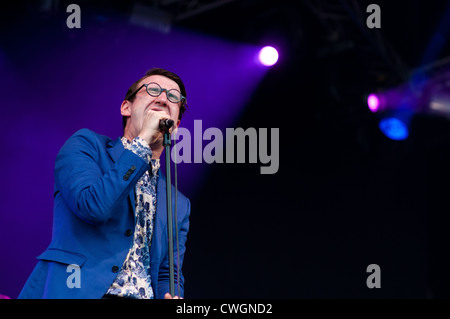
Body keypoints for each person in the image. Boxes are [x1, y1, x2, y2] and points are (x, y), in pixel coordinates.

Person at [18, 68, 191, 299]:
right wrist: (141, 144)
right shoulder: (87, 146)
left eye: (173, 97)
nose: (162, 98)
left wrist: (171, 293)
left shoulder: (179, 203)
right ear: (126, 108)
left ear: (176, 123)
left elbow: (168, 273)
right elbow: (92, 208)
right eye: (153, 90)